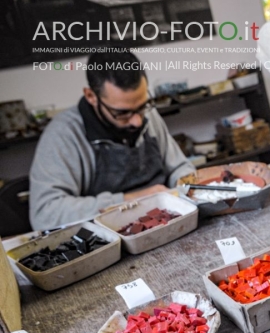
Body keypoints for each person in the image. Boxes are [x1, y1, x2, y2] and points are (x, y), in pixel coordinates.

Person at [28, 50, 194, 230]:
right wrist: (131, 200)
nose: (137, 121)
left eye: (142, 106)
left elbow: (179, 167)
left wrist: (186, 186)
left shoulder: (147, 114)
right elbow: (44, 214)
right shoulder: (63, 133)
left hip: (167, 222)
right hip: (109, 237)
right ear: (91, 96)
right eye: (122, 113)